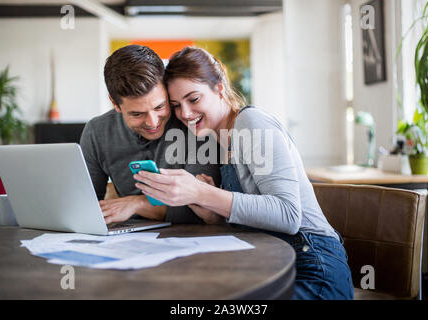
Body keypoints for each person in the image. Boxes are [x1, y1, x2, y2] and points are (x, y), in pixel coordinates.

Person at [133, 47, 354, 300]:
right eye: (176, 105)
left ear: (219, 88)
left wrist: (204, 193)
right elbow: (257, 218)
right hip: (271, 262)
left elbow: (289, 215)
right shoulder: (220, 141)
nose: (184, 113)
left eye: (193, 99)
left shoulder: (251, 121)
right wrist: (212, 214)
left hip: (312, 264)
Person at [80, 45, 221, 225]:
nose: (153, 122)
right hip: (127, 242)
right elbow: (86, 205)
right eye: (137, 114)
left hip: (192, 238)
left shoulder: (194, 123)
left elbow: (197, 208)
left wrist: (137, 204)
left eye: (159, 107)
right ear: (115, 103)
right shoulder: (97, 132)